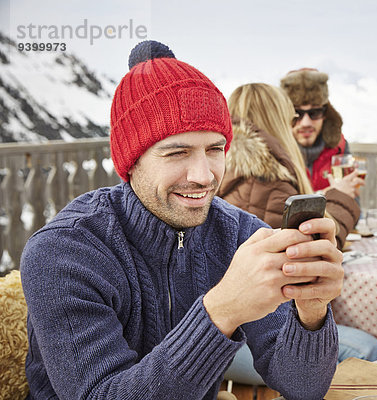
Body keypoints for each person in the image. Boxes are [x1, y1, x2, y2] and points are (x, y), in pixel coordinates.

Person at [19, 41, 342, 400]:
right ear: (131, 161)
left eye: (214, 149)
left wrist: (311, 309)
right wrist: (223, 309)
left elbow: (303, 385)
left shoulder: (240, 234)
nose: (204, 176)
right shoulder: (63, 253)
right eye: (177, 152)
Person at [218, 83, 377, 385]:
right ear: (279, 120)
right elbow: (303, 260)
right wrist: (342, 198)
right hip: (242, 337)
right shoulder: (271, 178)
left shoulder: (225, 166)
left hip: (213, 327)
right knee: (367, 348)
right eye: (292, 117)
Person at [280, 68, 361, 196]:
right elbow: (278, 209)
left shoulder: (339, 148)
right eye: (297, 114)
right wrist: (329, 194)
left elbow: (353, 203)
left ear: (325, 114)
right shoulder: (273, 153)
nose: (306, 123)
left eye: (314, 113)